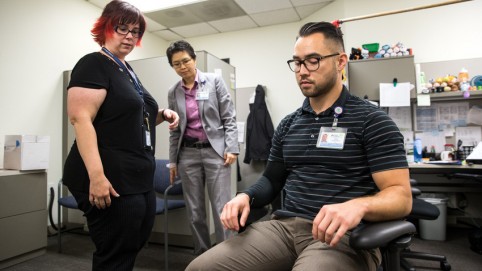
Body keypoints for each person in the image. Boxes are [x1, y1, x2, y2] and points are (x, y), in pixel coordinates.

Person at [185, 21, 412, 271]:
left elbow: (400, 197)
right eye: (297, 62)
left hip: (342, 236)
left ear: (340, 61)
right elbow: (271, 180)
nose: (302, 70)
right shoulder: (288, 124)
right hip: (284, 228)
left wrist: (359, 205)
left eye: (313, 60)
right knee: (200, 268)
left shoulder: (372, 121)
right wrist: (245, 195)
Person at [62, 1, 179, 270]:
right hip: (109, 177)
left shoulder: (126, 70)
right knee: (115, 253)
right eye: (122, 28)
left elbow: (128, 116)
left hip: (136, 177)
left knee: (132, 244)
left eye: (135, 31)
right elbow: (80, 119)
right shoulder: (93, 64)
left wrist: (162, 113)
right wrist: (97, 177)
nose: (129, 35)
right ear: (105, 28)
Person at [166, 40, 239, 255]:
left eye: (186, 61)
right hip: (187, 154)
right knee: (195, 211)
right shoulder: (173, 91)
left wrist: (232, 147)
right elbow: (174, 129)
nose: (182, 66)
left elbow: (229, 117)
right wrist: (172, 161)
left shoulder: (214, 81)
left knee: (221, 208)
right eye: (176, 64)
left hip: (215, 152)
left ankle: (227, 255)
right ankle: (202, 255)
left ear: (194, 59)